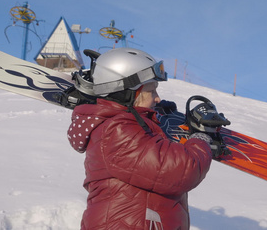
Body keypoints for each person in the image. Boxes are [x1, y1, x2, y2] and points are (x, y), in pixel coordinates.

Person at [67, 47, 214, 230]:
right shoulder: (116, 132)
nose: (158, 98)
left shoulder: (124, 128)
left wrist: (156, 117)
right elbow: (181, 171)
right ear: (127, 93)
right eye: (152, 91)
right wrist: (201, 137)